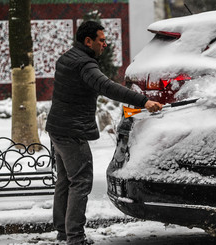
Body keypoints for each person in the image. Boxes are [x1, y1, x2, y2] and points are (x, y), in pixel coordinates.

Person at [46, 20, 162, 245]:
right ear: (88, 41)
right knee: (80, 182)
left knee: (65, 181)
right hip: (72, 132)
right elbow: (108, 87)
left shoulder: (67, 58)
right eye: (101, 40)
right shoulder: (85, 65)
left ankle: (64, 233)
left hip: (56, 129)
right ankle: (75, 239)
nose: (105, 44)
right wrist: (144, 101)